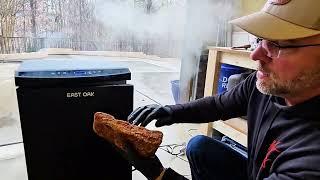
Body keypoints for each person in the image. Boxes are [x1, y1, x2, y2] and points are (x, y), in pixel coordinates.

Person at [122, 0, 320, 179]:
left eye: (280, 44)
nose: (256, 55)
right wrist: (171, 111)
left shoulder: (311, 160)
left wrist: (158, 174)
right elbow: (218, 104)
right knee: (199, 147)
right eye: (260, 40)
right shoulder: (267, 87)